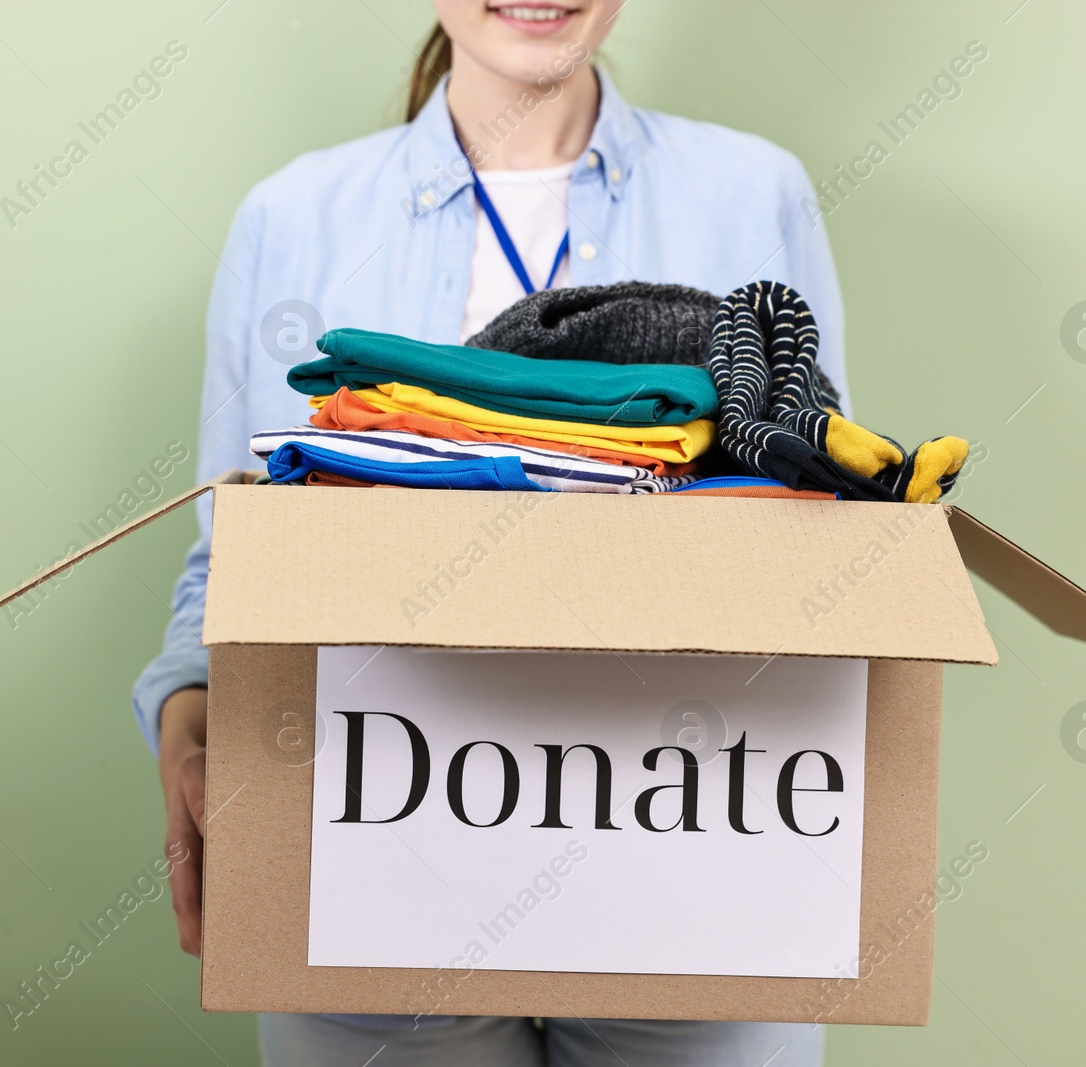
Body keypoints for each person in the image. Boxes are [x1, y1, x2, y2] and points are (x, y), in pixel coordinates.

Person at [135, 2, 845, 1063]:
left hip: (687, 854)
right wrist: (189, 712)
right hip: (370, 847)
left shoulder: (754, 195)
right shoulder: (293, 215)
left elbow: (822, 529)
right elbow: (234, 542)